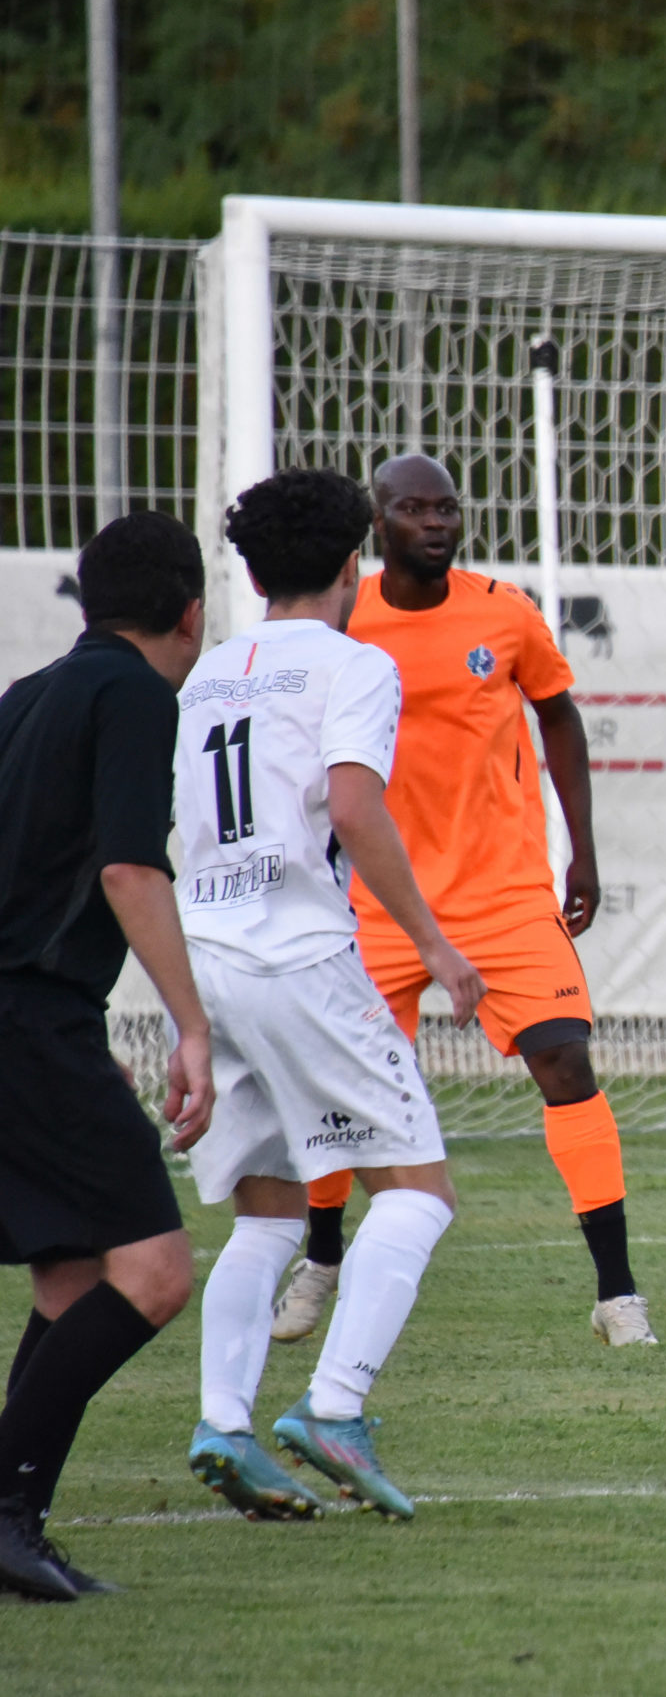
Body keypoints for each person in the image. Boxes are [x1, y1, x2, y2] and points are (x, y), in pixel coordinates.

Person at [269, 453, 656, 1347]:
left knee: (566, 1063)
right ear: (378, 523)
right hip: (377, 902)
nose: (436, 523)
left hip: (504, 893)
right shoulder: (343, 618)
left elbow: (558, 715)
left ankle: (618, 1295)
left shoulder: (503, 612)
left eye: (446, 508)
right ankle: (321, 1256)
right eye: (415, 509)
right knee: (342, 1085)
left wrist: (582, 851)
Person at [178, 470, 489, 1523]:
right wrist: (435, 945)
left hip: (209, 959)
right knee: (417, 1188)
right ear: (356, 562)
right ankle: (334, 1407)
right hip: (299, 954)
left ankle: (224, 1423)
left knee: (267, 1211)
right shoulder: (355, 664)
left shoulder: (210, 673)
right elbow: (353, 807)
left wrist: (185, 1018)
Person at [0, 512, 211, 1599]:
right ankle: (3, 1516)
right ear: (192, 613)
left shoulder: (28, 695)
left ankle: (14, 1523)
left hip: (35, 1021)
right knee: (156, 1273)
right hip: (29, 1018)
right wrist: (190, 1026)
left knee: (72, 1272)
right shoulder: (136, 694)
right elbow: (131, 869)